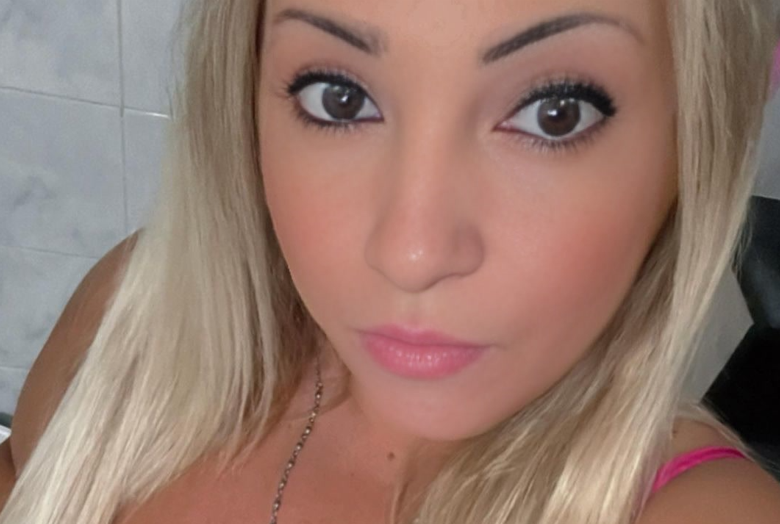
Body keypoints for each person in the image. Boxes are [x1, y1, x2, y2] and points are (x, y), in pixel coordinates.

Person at [0, 0, 779, 523]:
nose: (412, 253)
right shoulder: (131, 326)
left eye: (554, 113)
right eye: (337, 98)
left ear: (692, 141)